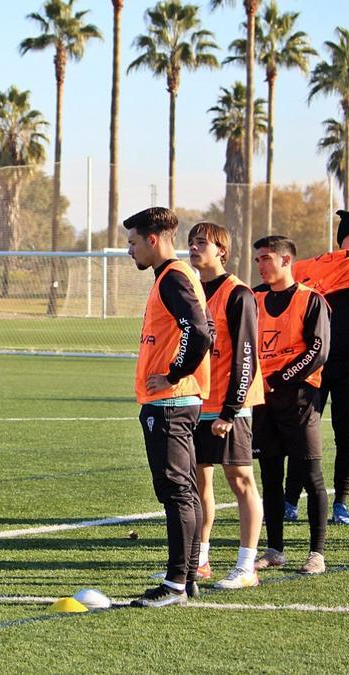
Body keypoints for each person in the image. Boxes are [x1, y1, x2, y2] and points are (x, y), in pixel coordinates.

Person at [119, 207, 211, 608]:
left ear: (153, 240)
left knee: (175, 491)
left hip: (171, 402)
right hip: (175, 400)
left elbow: (200, 331)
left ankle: (175, 583)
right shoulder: (170, 277)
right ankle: (186, 575)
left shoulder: (174, 277)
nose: (129, 250)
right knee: (183, 490)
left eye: (133, 242)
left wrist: (174, 372)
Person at [285, 210, 349, 526]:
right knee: (302, 433)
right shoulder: (320, 271)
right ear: (340, 238)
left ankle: (341, 503)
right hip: (314, 365)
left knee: (347, 435)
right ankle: (290, 501)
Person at [186, 223, 264, 591]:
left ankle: (247, 566)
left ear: (222, 251)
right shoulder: (192, 292)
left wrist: (231, 410)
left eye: (202, 242)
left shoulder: (239, 295)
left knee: (241, 480)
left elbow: (246, 355)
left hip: (230, 406)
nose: (194, 247)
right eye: (191, 242)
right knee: (198, 482)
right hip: (197, 401)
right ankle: (199, 560)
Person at [252, 235, 331, 576]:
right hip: (262, 401)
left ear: (287, 261)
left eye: (267, 258)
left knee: (311, 475)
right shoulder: (253, 298)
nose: (260, 264)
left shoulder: (311, 300)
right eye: (258, 259)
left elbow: (318, 350)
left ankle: (317, 553)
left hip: (299, 399)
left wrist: (281, 378)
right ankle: (275, 549)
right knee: (270, 476)